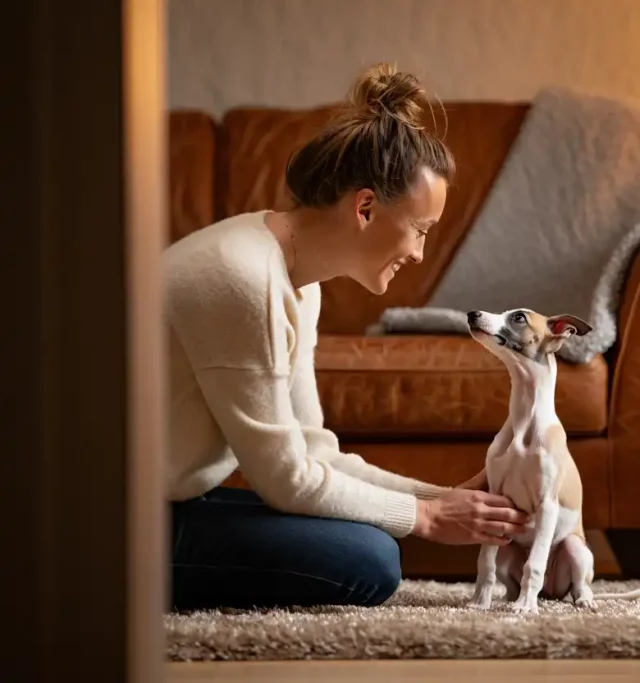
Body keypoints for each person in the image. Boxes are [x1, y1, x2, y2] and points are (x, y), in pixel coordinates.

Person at [164, 63, 529, 611]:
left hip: (174, 500)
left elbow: (312, 453)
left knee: (367, 544)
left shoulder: (298, 280)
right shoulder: (241, 277)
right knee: (366, 562)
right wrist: (428, 519)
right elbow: (287, 481)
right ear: (364, 207)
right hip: (103, 528)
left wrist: (441, 498)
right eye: (421, 230)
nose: (420, 254)